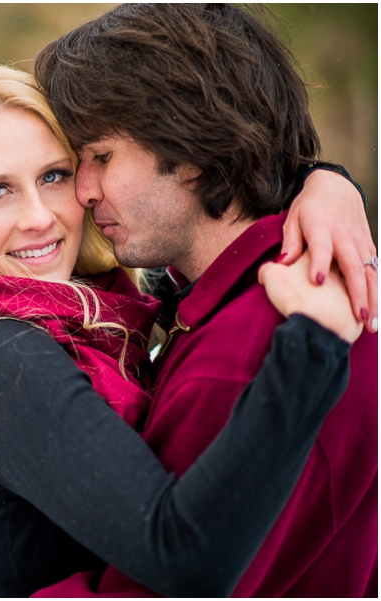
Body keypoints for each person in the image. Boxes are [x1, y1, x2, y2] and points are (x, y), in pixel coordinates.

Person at [0, 62, 370, 597]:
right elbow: (182, 561)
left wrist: (324, 183)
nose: (40, 216)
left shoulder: (100, 316)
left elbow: (198, 226)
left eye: (53, 176)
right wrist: (314, 345)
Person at [33, 4, 377, 597]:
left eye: (102, 157)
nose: (83, 192)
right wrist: (331, 177)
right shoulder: (277, 284)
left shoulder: (243, 353)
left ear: (191, 141)